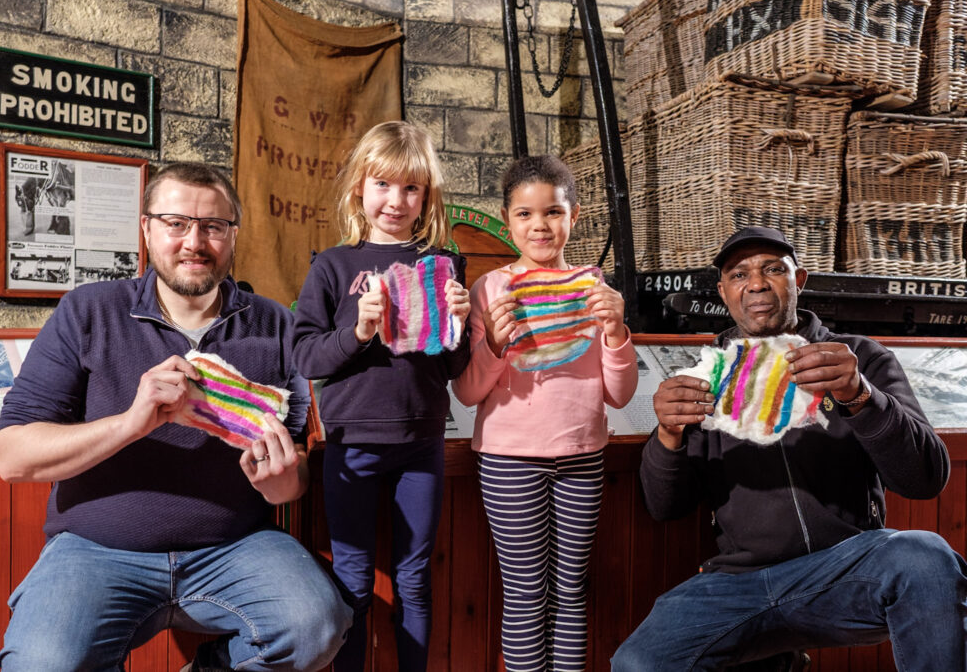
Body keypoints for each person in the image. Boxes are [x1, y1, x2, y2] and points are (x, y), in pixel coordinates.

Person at [0, 162, 351, 672]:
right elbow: (12, 457)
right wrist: (132, 422)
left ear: (233, 234)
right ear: (146, 229)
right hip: (96, 549)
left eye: (213, 226)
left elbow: (291, 475)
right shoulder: (88, 311)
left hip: (232, 547)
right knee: (41, 664)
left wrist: (279, 480)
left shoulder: (275, 324)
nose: (194, 241)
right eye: (176, 223)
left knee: (316, 627)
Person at [612, 226, 967, 671]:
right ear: (724, 292)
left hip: (845, 573)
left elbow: (925, 479)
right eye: (739, 275)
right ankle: (775, 660)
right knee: (638, 662)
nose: (756, 283)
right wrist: (668, 435)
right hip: (739, 584)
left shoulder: (859, 358)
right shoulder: (705, 374)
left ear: (799, 281)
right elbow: (665, 506)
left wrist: (861, 396)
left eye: (773, 270)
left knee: (925, 557)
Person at [291, 121, 472, 672]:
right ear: (359, 190)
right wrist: (359, 333)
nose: (396, 200)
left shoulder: (444, 263)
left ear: (426, 197)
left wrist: (463, 326)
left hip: (421, 445)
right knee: (352, 577)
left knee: (415, 578)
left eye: (411, 188)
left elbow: (454, 368)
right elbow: (305, 358)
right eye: (383, 185)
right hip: (352, 445)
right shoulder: (332, 265)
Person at [452, 155, 639, 672]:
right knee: (525, 593)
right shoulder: (488, 291)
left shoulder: (595, 290)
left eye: (553, 213)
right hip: (509, 460)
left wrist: (618, 332)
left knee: (572, 590)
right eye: (525, 214)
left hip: (582, 456)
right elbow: (467, 393)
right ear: (507, 221)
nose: (540, 226)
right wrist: (491, 342)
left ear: (574, 217)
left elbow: (619, 394)